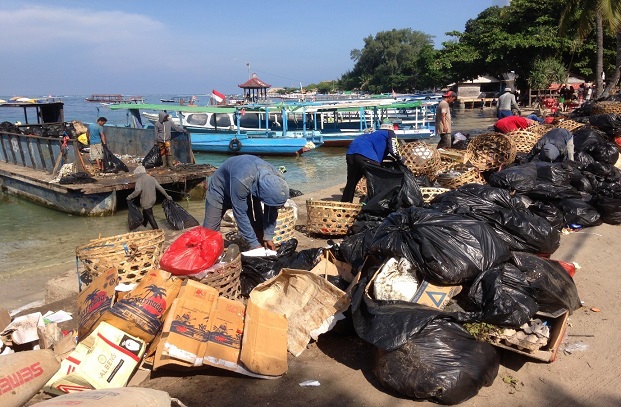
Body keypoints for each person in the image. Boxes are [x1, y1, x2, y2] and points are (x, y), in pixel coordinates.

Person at [203, 155, 289, 250]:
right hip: (220, 190)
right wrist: (255, 245)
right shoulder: (242, 180)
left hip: (246, 187)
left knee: (257, 228)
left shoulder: (278, 178)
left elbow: (272, 209)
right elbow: (240, 214)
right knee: (209, 235)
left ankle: (259, 242)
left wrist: (268, 236)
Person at [341, 123, 401, 203]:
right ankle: (372, 203)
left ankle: (345, 203)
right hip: (366, 154)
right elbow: (393, 150)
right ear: (391, 128)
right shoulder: (390, 133)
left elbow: (376, 149)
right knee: (376, 180)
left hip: (350, 153)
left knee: (352, 181)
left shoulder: (373, 134)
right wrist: (401, 159)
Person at [126, 165, 172, 229]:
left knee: (150, 215)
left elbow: (138, 190)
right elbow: (159, 187)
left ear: (138, 173)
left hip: (146, 201)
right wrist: (167, 196)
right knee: (145, 212)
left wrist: (129, 197)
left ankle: (156, 229)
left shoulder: (139, 180)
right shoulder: (152, 178)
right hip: (153, 199)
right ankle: (144, 225)